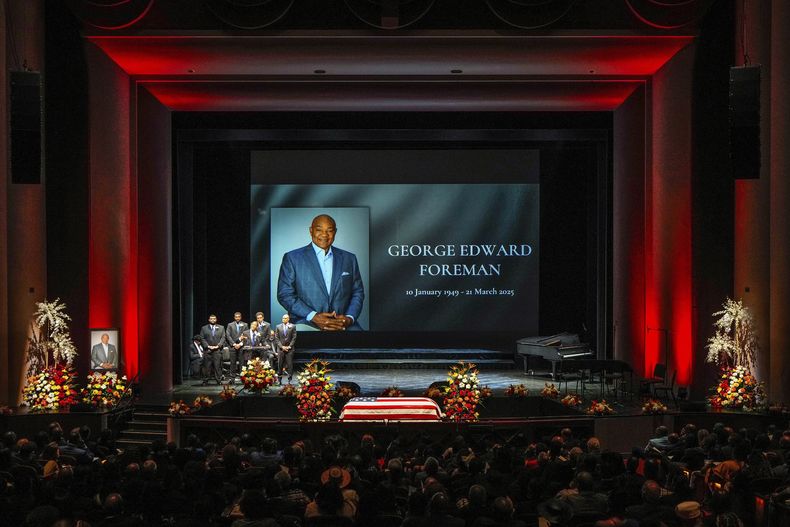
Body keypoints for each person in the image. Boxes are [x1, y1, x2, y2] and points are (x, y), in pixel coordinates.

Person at [277, 213, 365, 331]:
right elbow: (285, 294)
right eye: (319, 230)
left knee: (363, 346)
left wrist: (349, 318)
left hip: (342, 323)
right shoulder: (292, 258)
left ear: (335, 232)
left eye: (329, 230)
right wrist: (313, 316)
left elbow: (357, 292)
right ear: (311, 231)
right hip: (306, 321)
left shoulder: (350, 258)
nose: (324, 235)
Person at [200, 314, 225, 385]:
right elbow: (202, 338)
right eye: (211, 319)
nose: (213, 320)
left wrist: (218, 346)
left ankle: (219, 380)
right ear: (209, 320)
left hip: (217, 350)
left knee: (218, 366)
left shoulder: (221, 327)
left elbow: (223, 337)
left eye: (214, 319)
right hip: (208, 350)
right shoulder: (204, 328)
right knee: (207, 366)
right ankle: (205, 380)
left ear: (216, 319)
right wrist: (208, 346)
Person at [225, 312, 248, 383]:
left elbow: (246, 335)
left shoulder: (245, 324)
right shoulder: (230, 325)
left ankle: (242, 378)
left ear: (240, 317)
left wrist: (240, 344)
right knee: (233, 363)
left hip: (241, 347)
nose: (237, 318)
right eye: (236, 317)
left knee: (242, 362)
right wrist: (234, 344)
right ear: (234, 317)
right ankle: (232, 378)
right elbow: (228, 335)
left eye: (239, 317)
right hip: (233, 347)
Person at [275, 314, 296, 384]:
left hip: (290, 349)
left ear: (288, 319)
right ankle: (279, 379)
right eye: (283, 318)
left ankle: (289, 379)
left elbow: (294, 337)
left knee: (290, 364)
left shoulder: (293, 326)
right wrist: (282, 347)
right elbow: (277, 338)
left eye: (285, 318)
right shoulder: (278, 326)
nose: (284, 319)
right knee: (280, 364)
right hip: (281, 349)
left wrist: (289, 346)